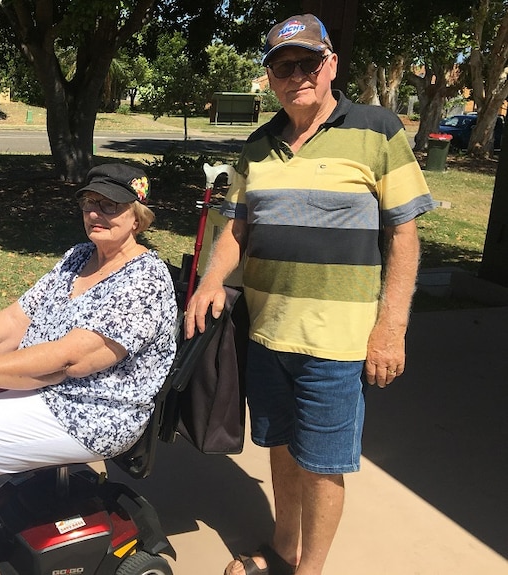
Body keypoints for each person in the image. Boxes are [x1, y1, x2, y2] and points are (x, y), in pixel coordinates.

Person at [184, 14, 435, 575]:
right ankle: (283, 548)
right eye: (282, 67)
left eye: (307, 62)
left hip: (337, 342)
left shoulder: (377, 128)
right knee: (279, 447)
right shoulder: (259, 143)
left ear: (330, 65)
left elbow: (404, 232)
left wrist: (391, 327)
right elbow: (237, 228)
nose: (295, 75)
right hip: (268, 331)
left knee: (321, 465)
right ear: (270, 79)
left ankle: (309, 570)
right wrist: (209, 280)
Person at [0, 163, 178, 575]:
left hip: (92, 413)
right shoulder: (79, 257)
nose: (97, 213)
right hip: (40, 388)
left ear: (137, 216)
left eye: (111, 205)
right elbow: (11, 324)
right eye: (90, 202)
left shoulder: (145, 280)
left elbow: (70, 359)